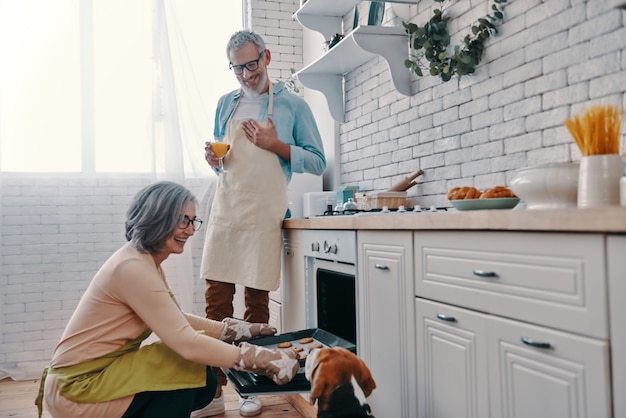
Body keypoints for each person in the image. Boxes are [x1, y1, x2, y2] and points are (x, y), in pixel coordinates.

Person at [35, 181, 299, 418]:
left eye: (194, 221)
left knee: (199, 379)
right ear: (156, 217)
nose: (191, 230)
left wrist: (236, 329)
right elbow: (186, 343)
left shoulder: (143, 261)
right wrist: (263, 360)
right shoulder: (132, 268)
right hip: (78, 388)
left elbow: (176, 318)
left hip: (91, 375)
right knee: (184, 365)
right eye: (183, 220)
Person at [201, 29, 326, 417]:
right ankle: (211, 392)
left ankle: (250, 390)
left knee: (256, 309)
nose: (245, 74)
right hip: (227, 211)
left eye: (251, 64)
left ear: (267, 57)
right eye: (237, 67)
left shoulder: (293, 107)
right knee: (216, 305)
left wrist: (276, 145)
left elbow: (318, 161)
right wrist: (215, 162)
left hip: (263, 215)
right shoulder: (225, 104)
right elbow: (227, 164)